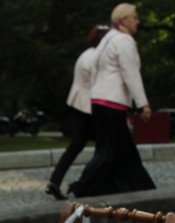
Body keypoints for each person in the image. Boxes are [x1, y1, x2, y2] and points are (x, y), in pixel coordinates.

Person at [67, 3, 155, 198]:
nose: (137, 21)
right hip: (112, 103)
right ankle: (82, 187)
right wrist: (142, 104)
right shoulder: (124, 41)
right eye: (134, 17)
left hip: (99, 101)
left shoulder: (107, 39)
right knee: (112, 150)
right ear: (123, 20)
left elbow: (94, 67)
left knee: (113, 149)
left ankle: (116, 188)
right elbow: (130, 74)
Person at [46, 24, 109, 200]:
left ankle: (55, 181)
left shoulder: (85, 55)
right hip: (91, 107)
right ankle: (89, 183)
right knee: (103, 147)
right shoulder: (96, 58)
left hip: (80, 104)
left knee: (76, 146)